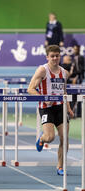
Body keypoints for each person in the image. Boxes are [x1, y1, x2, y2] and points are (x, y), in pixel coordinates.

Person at [28, 45, 74, 176]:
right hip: (46, 108)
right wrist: (43, 98)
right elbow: (30, 89)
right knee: (50, 137)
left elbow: (64, 91)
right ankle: (42, 139)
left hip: (60, 107)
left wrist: (69, 108)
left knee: (64, 138)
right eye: (52, 56)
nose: (55, 58)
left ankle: (60, 166)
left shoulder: (64, 72)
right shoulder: (42, 70)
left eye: (57, 56)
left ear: (60, 56)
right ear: (47, 57)